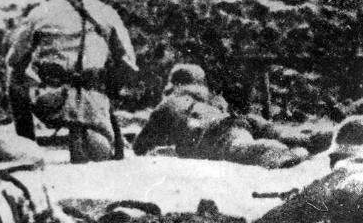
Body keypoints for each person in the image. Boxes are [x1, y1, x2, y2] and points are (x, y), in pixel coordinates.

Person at [6, 0, 138, 163]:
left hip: (51, 101)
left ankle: (27, 146)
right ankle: (107, 127)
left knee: (14, 80)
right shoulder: (106, 13)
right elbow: (128, 63)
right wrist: (106, 89)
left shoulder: (40, 13)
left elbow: (14, 61)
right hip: (94, 100)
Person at [133, 63, 327, 167]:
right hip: (237, 120)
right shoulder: (213, 100)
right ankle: (310, 139)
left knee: (241, 146)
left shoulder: (169, 104)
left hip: (213, 133)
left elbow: (140, 145)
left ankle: (279, 153)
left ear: (175, 84)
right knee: (272, 130)